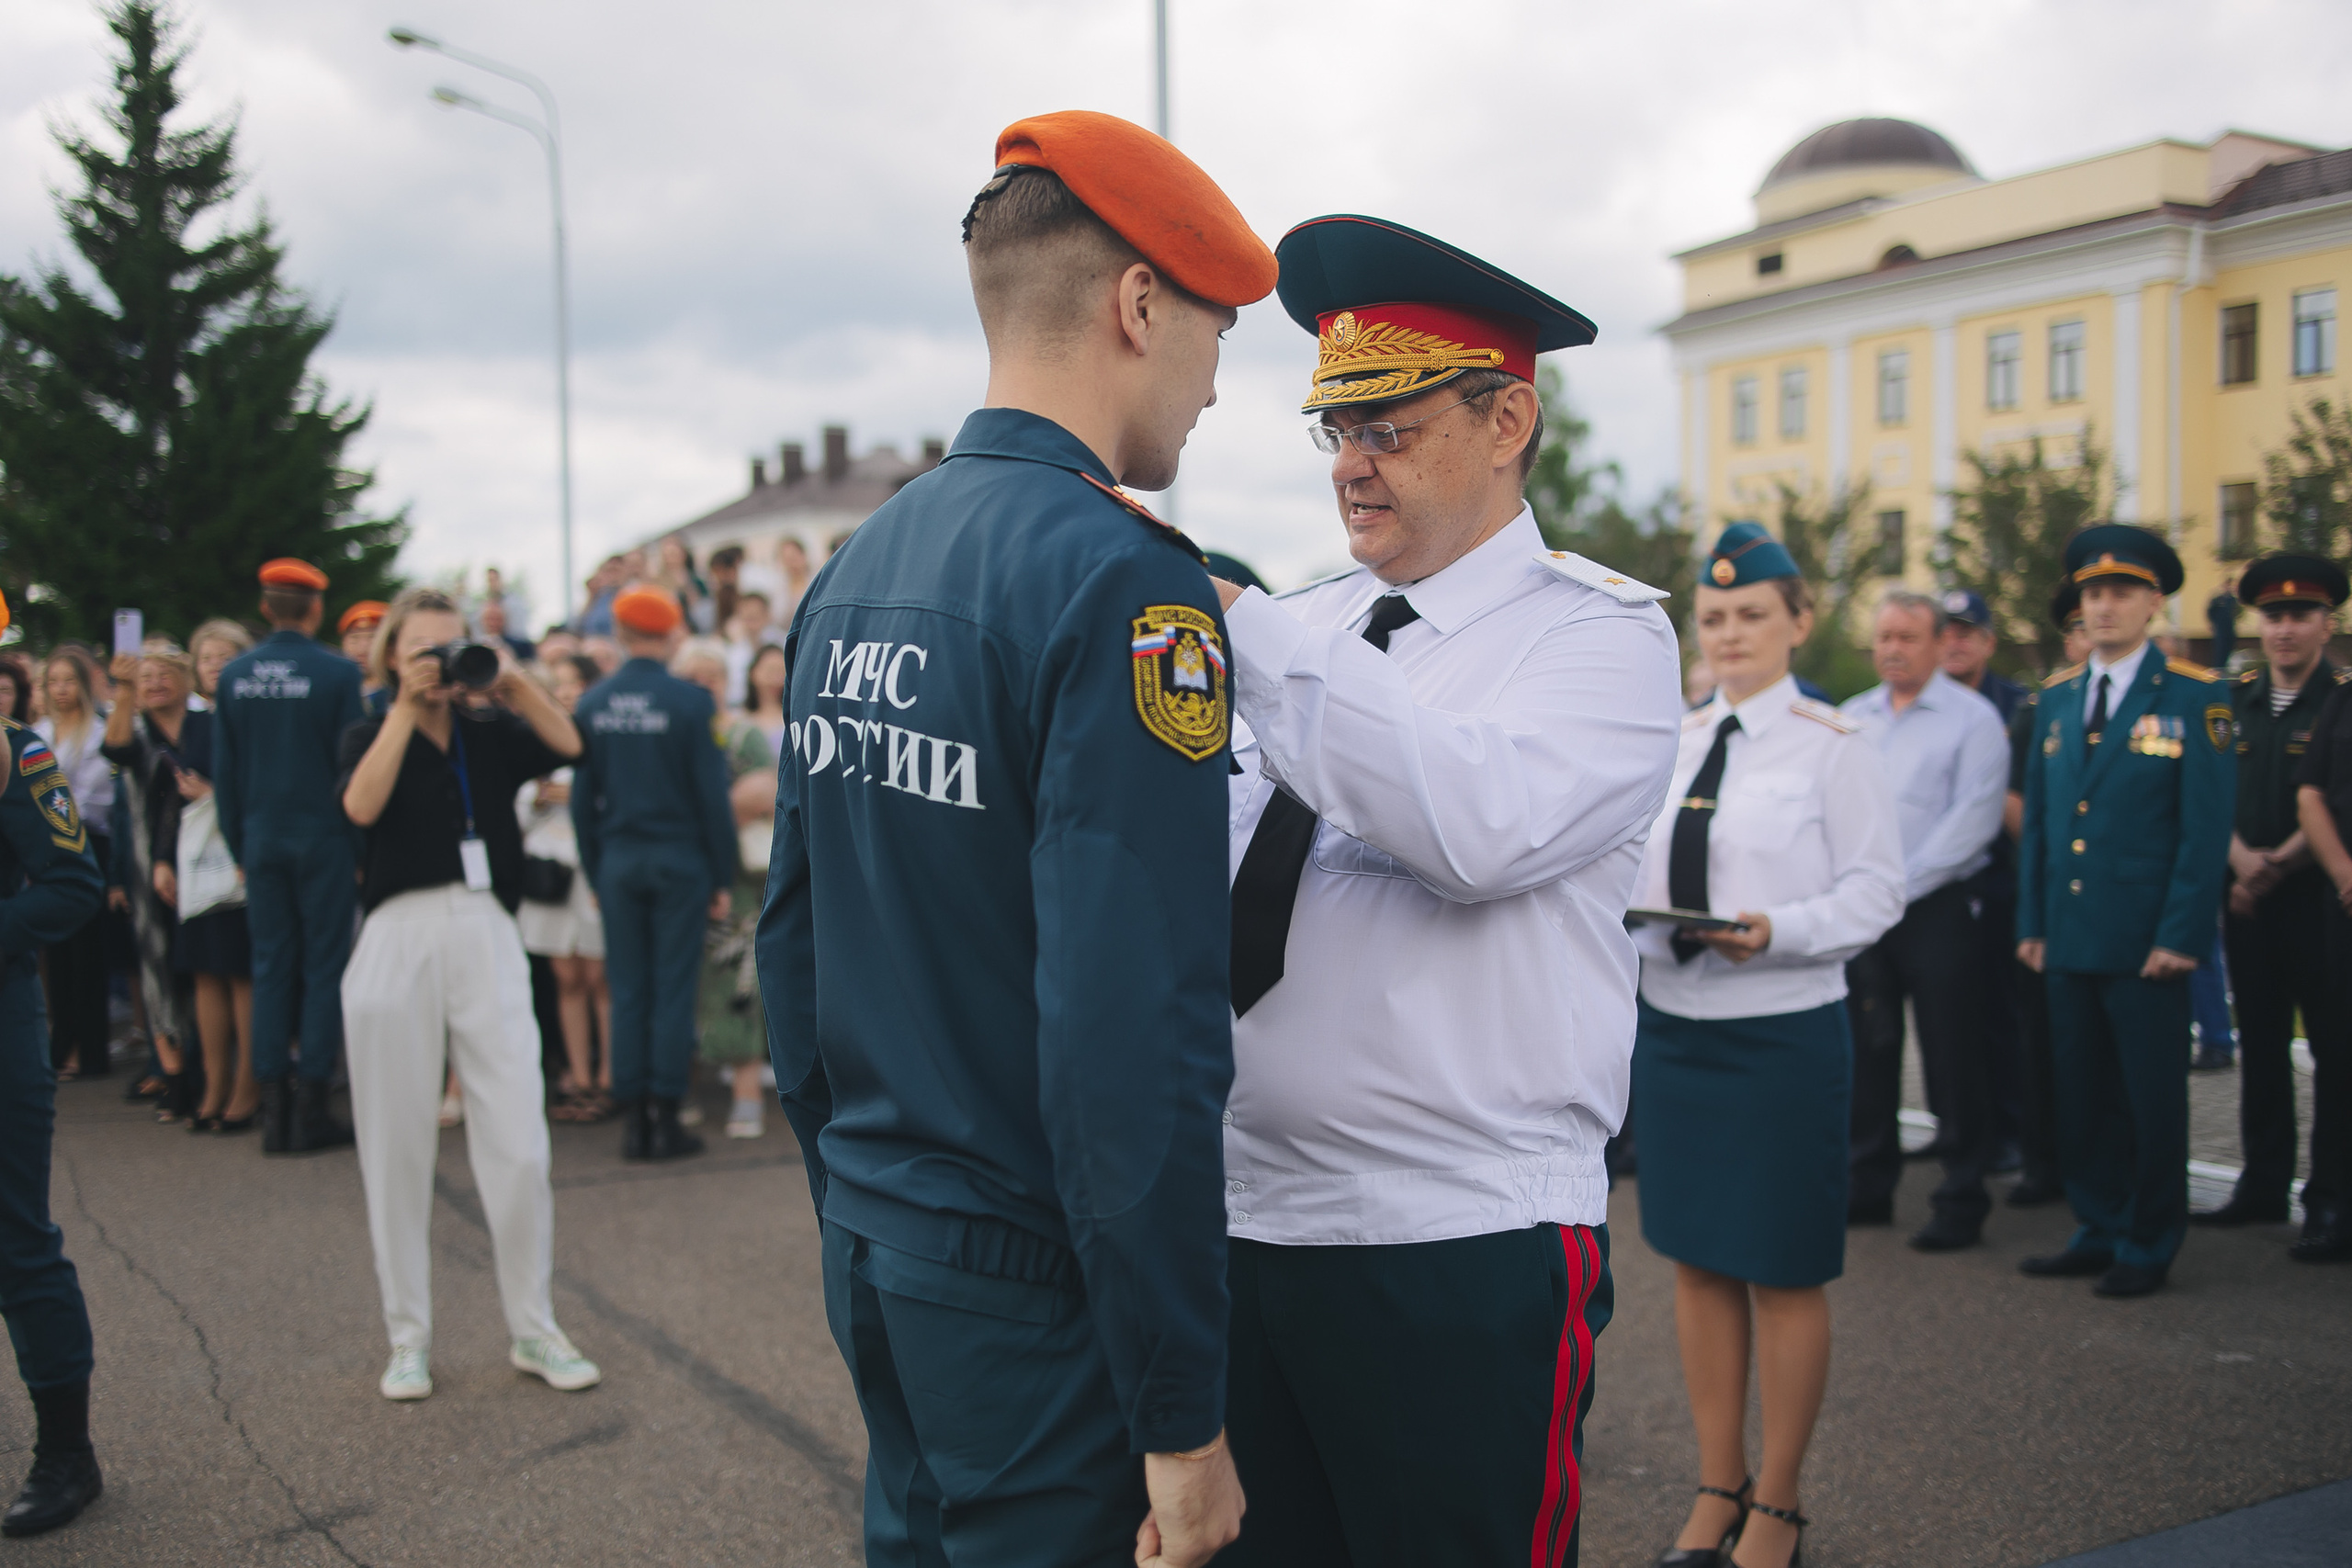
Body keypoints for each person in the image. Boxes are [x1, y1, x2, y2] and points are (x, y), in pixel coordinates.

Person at [759, 109, 1266, 1568]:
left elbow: (793, 940)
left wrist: (858, 1192)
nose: (1216, 389)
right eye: (1216, 338)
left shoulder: (863, 562)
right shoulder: (1125, 583)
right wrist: (1182, 1415)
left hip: (884, 1231)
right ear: (1138, 303)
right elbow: (1133, 1032)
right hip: (1033, 1283)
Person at [1204, 213, 1677, 1568]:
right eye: (1333, 432)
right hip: (1247, 1214)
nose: (1351, 469)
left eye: (1390, 427)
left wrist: (1246, 631)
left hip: (1455, 1230)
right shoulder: (1307, 627)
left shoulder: (1599, 635)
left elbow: (1479, 823)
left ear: (1507, 416)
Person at [1629, 525, 1904, 1568]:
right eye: (1712, 617)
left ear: (1798, 622)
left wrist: (1776, 930)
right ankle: (1716, 1482)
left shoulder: (1834, 747)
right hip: (1677, 1031)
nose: (1730, 632)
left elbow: (1877, 890)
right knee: (1696, 1264)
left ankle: (1778, 1498)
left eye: (1751, 615)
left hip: (1781, 1033)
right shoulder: (1671, 738)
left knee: (1783, 1272)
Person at [337, 587, 600, 1401]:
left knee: (519, 1136)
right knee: (396, 1143)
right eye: (425, 649)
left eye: (453, 646)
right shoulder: (366, 728)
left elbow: (571, 743)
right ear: (391, 657)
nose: (442, 662)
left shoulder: (491, 730)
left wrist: (511, 679)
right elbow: (361, 804)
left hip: (486, 926)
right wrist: (406, 708)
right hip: (395, 935)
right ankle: (406, 1336)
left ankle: (534, 1325)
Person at [2016, 525, 2233, 1299]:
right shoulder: (2059, 697)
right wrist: (2033, 924)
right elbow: (2041, 823)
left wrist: (2183, 936)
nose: (2103, 607)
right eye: (2090, 594)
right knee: (2081, 1094)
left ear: (2152, 600)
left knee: (2151, 1102)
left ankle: (2149, 1237)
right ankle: (2097, 1223)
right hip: (2070, 938)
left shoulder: (2195, 696)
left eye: (2120, 592)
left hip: (2148, 943)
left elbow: (2204, 835)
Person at [1839, 591, 2010, 1249]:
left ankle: (1961, 1195)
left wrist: (1892, 887)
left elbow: (1971, 826)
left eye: (1908, 637)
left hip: (1935, 908)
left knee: (1951, 1055)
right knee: (1871, 1052)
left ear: (1940, 645)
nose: (1892, 648)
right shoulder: (1853, 718)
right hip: (1866, 910)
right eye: (1884, 636)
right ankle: (1869, 1185)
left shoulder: (1973, 720)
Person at [0, 591, 109, 1540]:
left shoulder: (20, 752)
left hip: (2, 1018)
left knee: (15, 1241)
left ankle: (66, 1455)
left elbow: (75, 885)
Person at [2196, 556, 2347, 1230]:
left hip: (2317, 901)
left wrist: (2276, 863)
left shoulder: (2339, 700)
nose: (2285, 629)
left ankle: (2330, 1197)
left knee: (2333, 1051)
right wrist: (2238, 860)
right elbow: (2208, 791)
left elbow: (2331, 802)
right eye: (2274, 616)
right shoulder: (2233, 698)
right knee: (2259, 1047)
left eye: (2300, 616)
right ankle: (2262, 1184)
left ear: (2328, 623)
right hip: (2248, 902)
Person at [571, 589, 735, 1161]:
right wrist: (722, 873)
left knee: (629, 988)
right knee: (672, 989)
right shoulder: (690, 703)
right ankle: (664, 1115)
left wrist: (595, 872)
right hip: (679, 861)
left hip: (618, 860)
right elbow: (711, 798)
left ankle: (633, 1117)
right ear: (669, 638)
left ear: (619, 633)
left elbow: (580, 801)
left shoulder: (592, 704)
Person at [213, 559, 366, 1155]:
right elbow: (349, 764)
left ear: (264, 607)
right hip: (324, 837)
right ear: (315, 607)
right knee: (324, 969)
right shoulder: (335, 673)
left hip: (261, 837)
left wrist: (238, 844)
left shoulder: (235, 675)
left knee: (272, 965)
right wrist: (357, 849)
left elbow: (226, 773)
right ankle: (312, 1107)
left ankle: (275, 1112)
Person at [2001, 586, 2092, 1211]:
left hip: (2132, 914)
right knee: (2048, 1048)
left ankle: (2129, 1207)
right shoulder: (2046, 707)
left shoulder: (2183, 699)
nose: (2093, 632)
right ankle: (2053, 1170)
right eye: (2080, 625)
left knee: (2127, 1074)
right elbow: (2026, 819)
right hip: (2055, 908)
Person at [684, 641, 779, 1138]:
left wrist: (692, 823)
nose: (704, 684)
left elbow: (762, 790)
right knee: (684, 983)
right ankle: (688, 1092)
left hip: (736, 881)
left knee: (736, 978)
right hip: (680, 878)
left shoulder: (741, 733)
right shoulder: (674, 731)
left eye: (712, 675)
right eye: (693, 675)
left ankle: (746, 1094)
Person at [101, 644, 198, 1122]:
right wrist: (122, 690)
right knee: (158, 969)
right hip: (148, 868)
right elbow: (114, 749)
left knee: (204, 970)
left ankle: (207, 1070)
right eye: (147, 676)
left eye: (165, 674)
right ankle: (176, 1078)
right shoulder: (136, 729)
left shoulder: (206, 725)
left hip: (204, 864)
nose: (155, 682)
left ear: (186, 678)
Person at [516, 654, 611, 1122]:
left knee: (600, 979)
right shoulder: (539, 747)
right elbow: (516, 813)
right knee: (565, 978)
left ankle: (610, 1075)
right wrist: (536, 797)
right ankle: (578, 1075)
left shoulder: (602, 743)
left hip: (590, 873)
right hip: (550, 875)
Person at [2290, 632, 2352, 1263]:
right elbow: (2311, 792)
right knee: (2339, 1063)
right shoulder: (2343, 700)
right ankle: (2332, 1206)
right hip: (2344, 904)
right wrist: (2343, 872)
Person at [35, 649, 116, 1081]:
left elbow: (85, 800)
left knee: (87, 954)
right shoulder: (39, 732)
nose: (61, 689)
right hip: (45, 851)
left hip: (87, 846)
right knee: (58, 955)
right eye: (53, 681)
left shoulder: (98, 732)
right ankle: (62, 1042)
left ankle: (90, 1049)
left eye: (69, 680)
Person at [722, 591, 775, 709]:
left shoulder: (783, 644)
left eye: (756, 616)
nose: (751, 622)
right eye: (747, 617)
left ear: (767, 615)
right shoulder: (730, 652)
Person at [476, 596, 536, 664]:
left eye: (497, 619)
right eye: (489, 618)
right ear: (482, 620)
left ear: (505, 620)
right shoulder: (474, 646)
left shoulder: (523, 646)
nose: (493, 623)